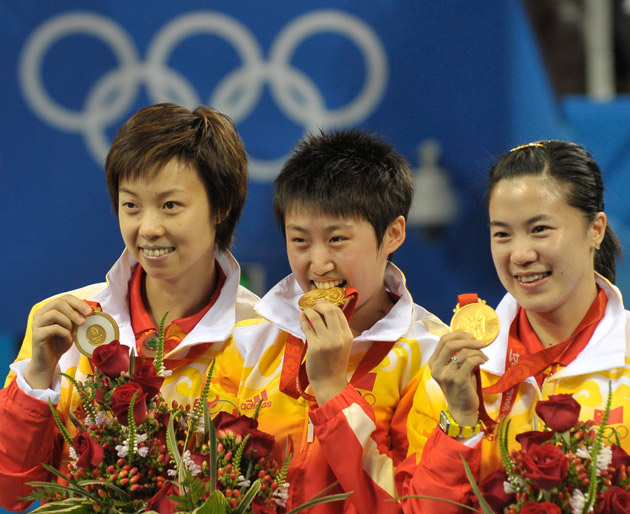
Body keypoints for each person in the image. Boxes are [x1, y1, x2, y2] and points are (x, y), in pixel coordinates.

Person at [0, 103, 258, 511]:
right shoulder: (64, 322)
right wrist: (37, 374)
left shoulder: (265, 336)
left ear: (220, 207)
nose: (148, 228)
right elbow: (12, 492)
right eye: (131, 205)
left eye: (171, 205)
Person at [216, 128, 449, 513]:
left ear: (393, 233)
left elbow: (410, 505)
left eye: (337, 239)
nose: (319, 263)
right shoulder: (247, 341)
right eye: (300, 241)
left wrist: (332, 389)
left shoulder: (430, 358)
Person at [397, 140, 628, 513]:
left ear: (595, 230)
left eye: (539, 229)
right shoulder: (455, 371)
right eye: (502, 234)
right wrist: (459, 422)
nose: (520, 255)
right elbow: (420, 508)